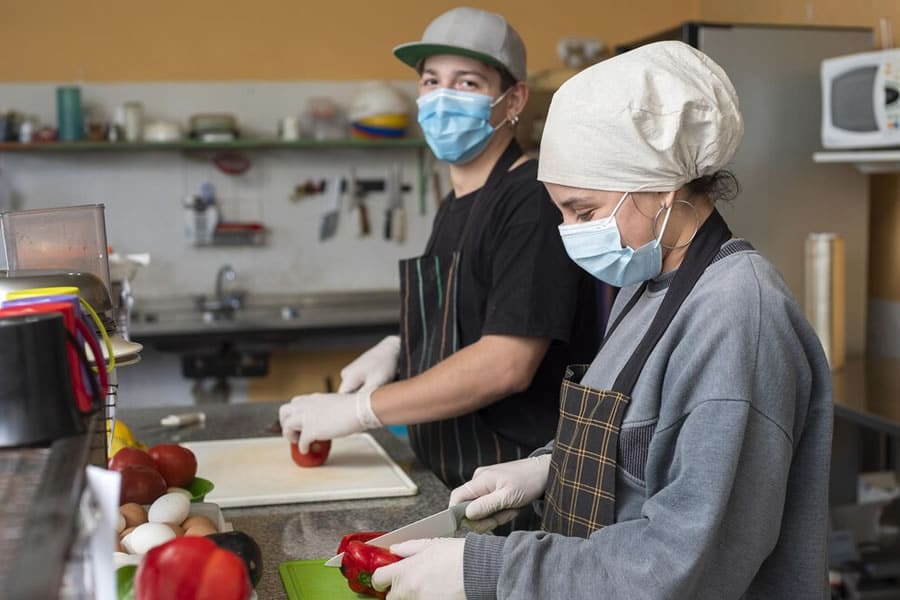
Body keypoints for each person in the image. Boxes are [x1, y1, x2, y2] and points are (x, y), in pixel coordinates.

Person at [369, 41, 834, 599]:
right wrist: (547, 467)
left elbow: (685, 564)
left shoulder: (738, 319)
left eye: (583, 211)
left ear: (662, 186)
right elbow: (642, 442)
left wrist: (489, 569)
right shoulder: (646, 284)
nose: (569, 232)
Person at [279, 7, 600, 516]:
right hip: (449, 479)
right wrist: (397, 348)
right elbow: (468, 314)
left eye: (467, 82)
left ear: (513, 99)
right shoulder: (455, 204)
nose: (443, 96)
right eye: (432, 81)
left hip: (516, 496)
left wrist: (361, 411)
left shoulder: (531, 199)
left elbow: (506, 363)